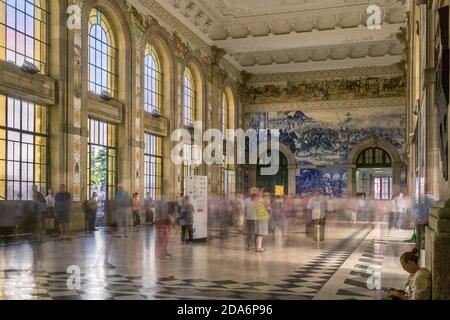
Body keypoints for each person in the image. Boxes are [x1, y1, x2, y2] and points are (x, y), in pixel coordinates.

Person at [154, 193, 172, 259]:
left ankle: (164, 252)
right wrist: (168, 223)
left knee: (163, 240)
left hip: (161, 223)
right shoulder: (163, 205)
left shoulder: (160, 205)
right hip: (162, 224)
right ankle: (162, 254)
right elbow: (165, 215)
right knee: (162, 240)